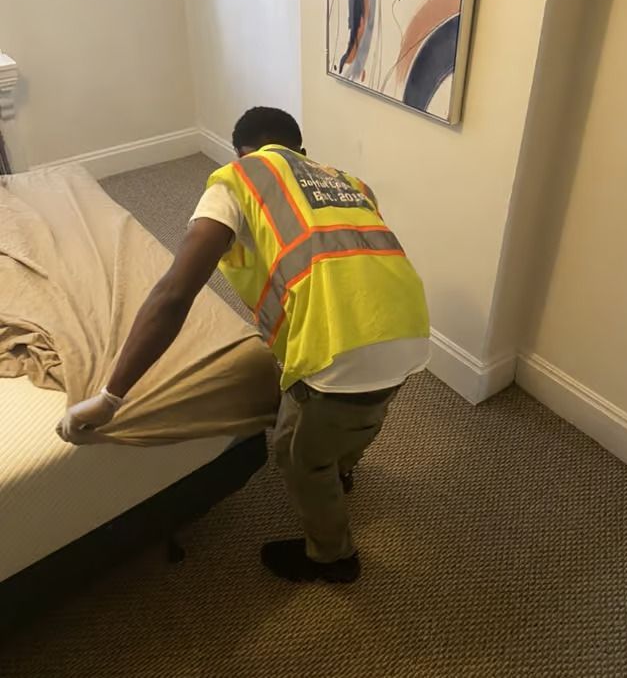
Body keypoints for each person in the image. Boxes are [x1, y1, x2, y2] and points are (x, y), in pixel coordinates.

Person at [59, 107, 430, 584]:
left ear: (241, 152)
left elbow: (174, 293)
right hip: (409, 325)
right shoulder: (348, 182)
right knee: (365, 414)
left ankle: (332, 557)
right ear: (301, 150)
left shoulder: (237, 179)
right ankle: (341, 469)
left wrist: (111, 396)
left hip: (339, 348)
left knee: (297, 456)